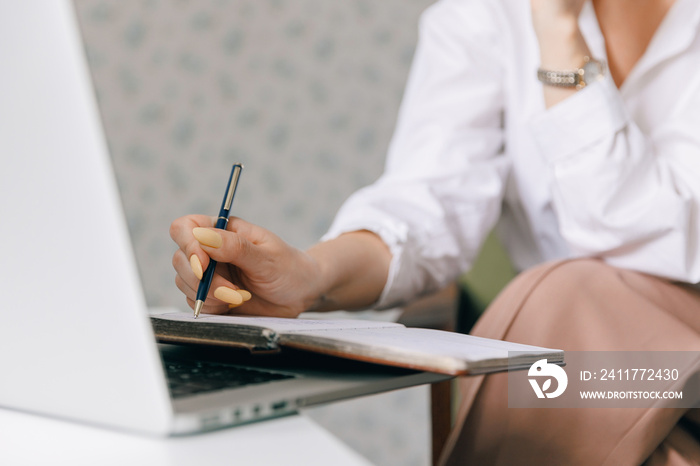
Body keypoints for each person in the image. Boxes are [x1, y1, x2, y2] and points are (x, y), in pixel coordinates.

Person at [170, 0, 700, 463]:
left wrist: (559, 32)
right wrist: (310, 274)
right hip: (602, 388)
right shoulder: (486, 16)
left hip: (647, 366)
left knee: (568, 303)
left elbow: (638, 238)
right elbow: (426, 207)